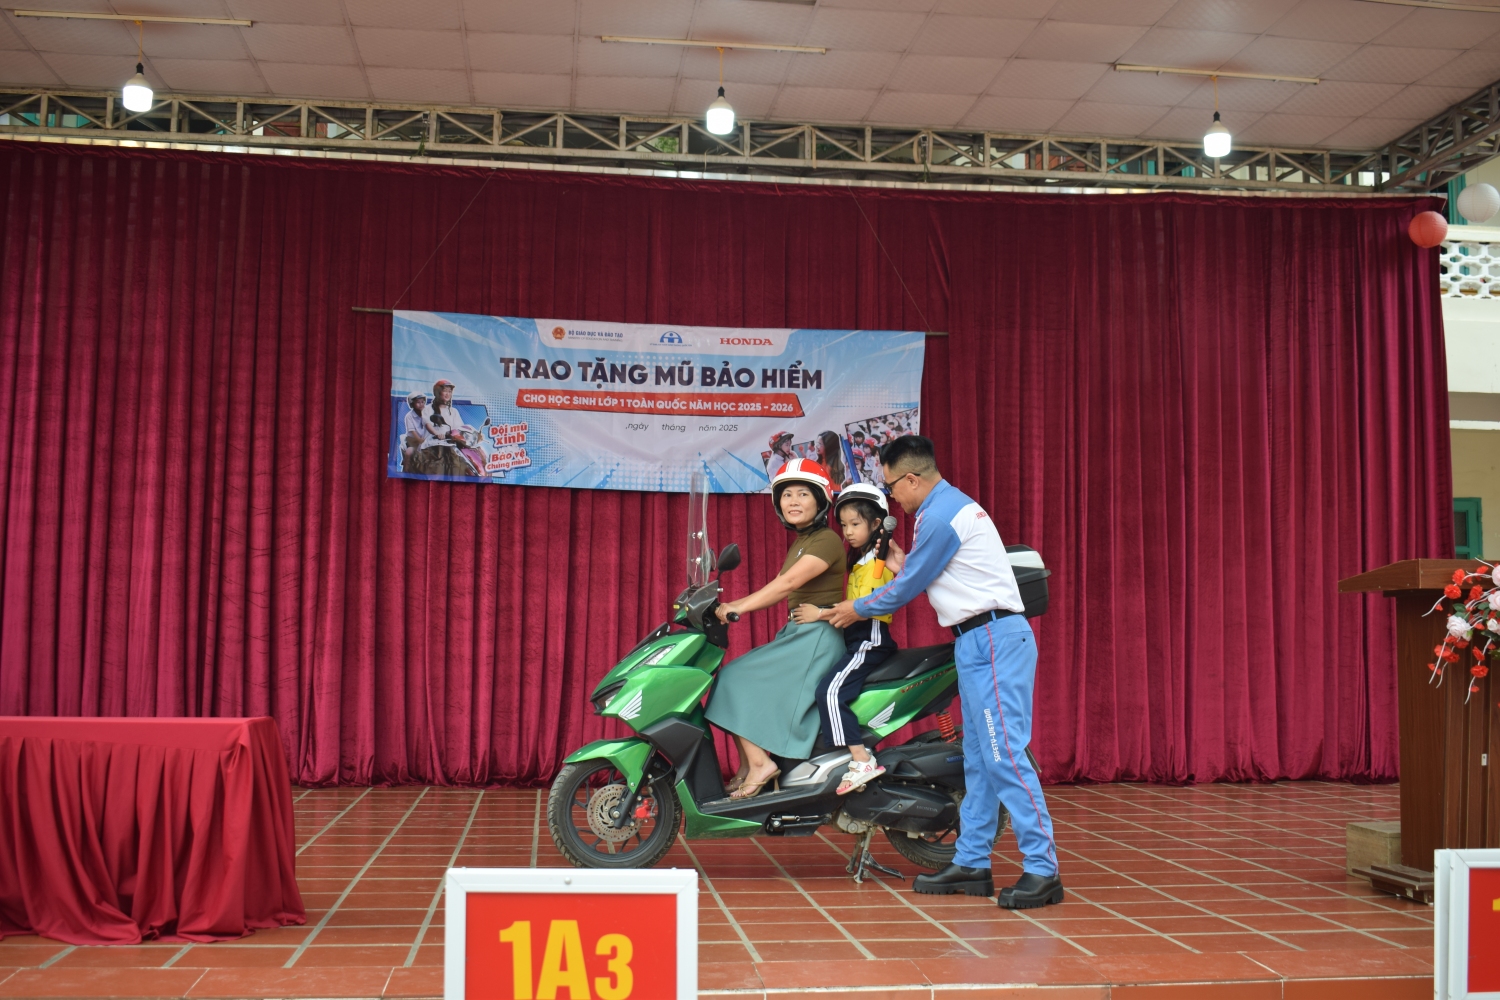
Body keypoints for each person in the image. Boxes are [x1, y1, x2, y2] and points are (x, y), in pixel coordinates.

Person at [829, 435, 1062, 910]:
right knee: (978, 760)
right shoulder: (945, 510)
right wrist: (900, 561)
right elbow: (928, 572)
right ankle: (971, 862)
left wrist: (856, 608)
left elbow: (906, 588)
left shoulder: (940, 515)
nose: (893, 497)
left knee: (1005, 756)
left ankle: (1043, 870)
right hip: (974, 640)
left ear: (913, 478)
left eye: (893, 487)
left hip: (993, 639)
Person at [705, 459, 847, 800]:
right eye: (786, 495)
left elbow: (787, 584)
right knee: (730, 679)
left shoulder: (827, 540)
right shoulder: (803, 542)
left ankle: (760, 765)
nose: (793, 501)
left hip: (817, 638)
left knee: (735, 679)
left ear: (820, 500)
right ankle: (747, 766)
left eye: (803, 494)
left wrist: (738, 606)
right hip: (799, 633)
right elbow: (783, 585)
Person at [794, 483, 905, 794]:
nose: (848, 532)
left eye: (855, 524)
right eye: (844, 525)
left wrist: (819, 613)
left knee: (829, 692)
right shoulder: (863, 561)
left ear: (877, 523)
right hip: (855, 637)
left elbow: (862, 608)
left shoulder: (878, 564)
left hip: (870, 638)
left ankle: (862, 759)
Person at [415, 379, 481, 477]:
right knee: (438, 469)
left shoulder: (453, 411)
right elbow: (428, 424)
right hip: (433, 445)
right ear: (437, 392)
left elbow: (460, 428)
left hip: (450, 446)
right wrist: (437, 433)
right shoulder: (427, 409)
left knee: (460, 466)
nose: (448, 394)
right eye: (445, 391)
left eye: (450, 391)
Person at [401, 391, 429, 472]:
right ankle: (405, 471)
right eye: (418, 402)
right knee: (409, 452)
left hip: (426, 440)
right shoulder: (409, 416)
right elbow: (412, 431)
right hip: (413, 440)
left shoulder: (428, 414)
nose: (421, 404)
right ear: (412, 404)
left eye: (422, 402)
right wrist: (419, 440)